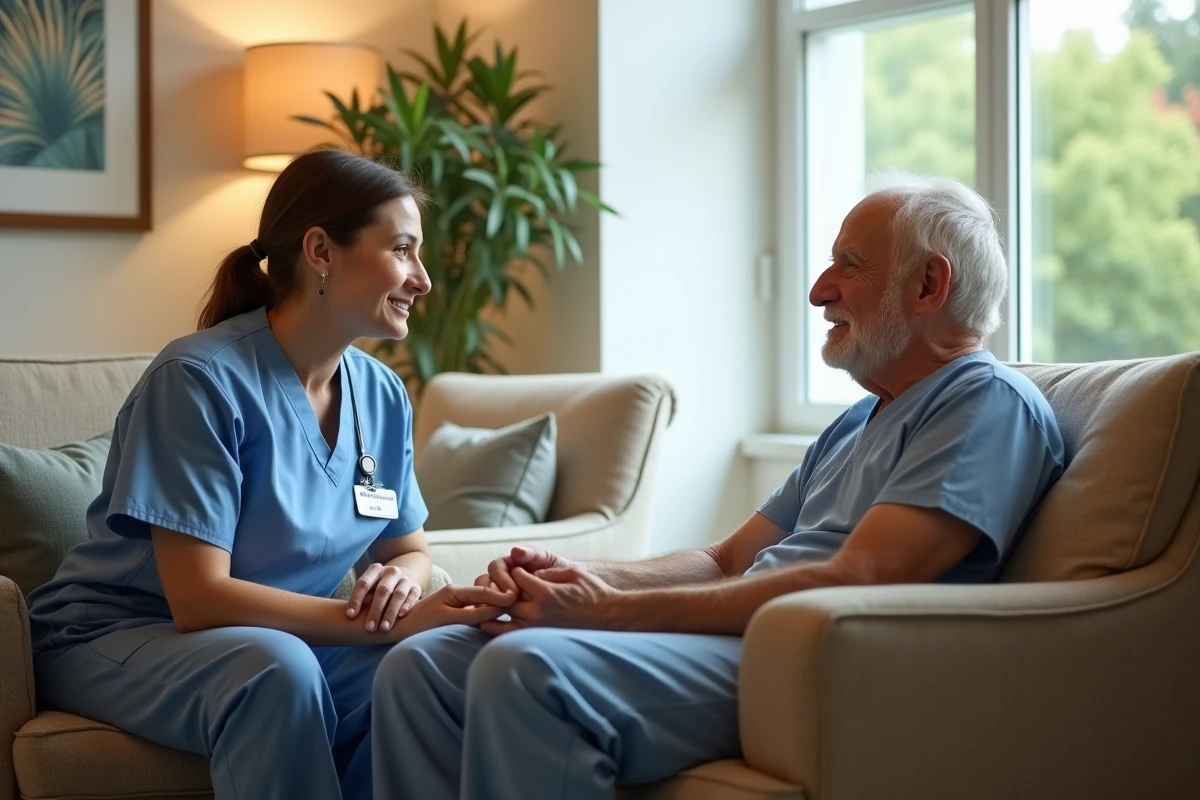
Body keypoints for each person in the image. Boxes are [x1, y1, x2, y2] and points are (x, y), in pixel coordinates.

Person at [370, 171, 1067, 799]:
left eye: (847, 266)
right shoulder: (859, 420)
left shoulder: (986, 404)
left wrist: (606, 612)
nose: (818, 290)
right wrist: (580, 577)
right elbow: (725, 559)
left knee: (527, 668)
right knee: (422, 665)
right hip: (745, 637)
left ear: (929, 286)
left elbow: (863, 574)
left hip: (818, 658)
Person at [25, 148, 514, 800]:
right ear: (321, 250)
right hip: (121, 634)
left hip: (277, 639)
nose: (422, 278)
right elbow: (198, 601)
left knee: (432, 665)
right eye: (402, 249)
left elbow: (408, 547)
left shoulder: (382, 393)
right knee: (275, 671)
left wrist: (400, 586)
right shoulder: (198, 380)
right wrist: (380, 622)